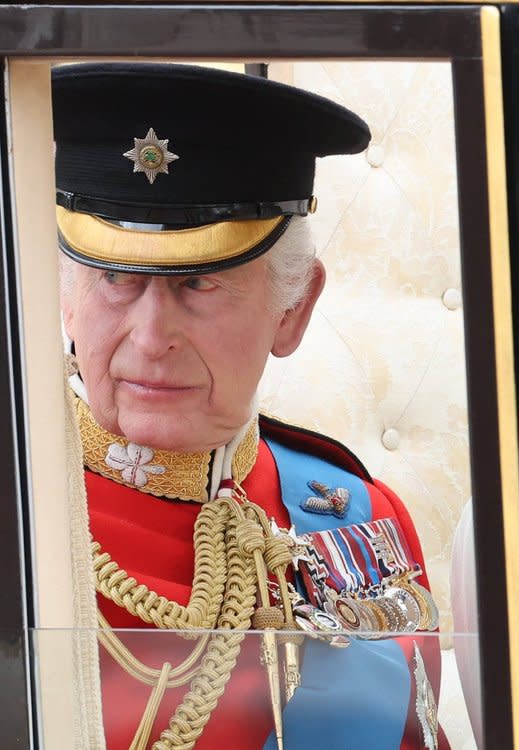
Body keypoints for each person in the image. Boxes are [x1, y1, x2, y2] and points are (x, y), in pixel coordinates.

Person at [54, 62, 447, 750]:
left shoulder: (359, 520)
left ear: (293, 308)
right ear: (65, 297)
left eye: (199, 285)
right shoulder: (23, 516)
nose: (151, 340)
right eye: (115, 278)